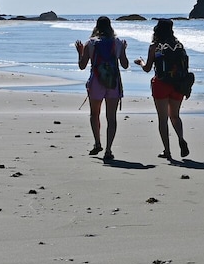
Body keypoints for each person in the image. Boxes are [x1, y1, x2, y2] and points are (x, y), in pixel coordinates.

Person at [134, 18, 192, 160]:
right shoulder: (179, 45)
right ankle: (180, 138)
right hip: (178, 85)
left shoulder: (155, 46)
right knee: (175, 116)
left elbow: (147, 68)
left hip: (161, 84)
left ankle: (167, 151)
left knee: (162, 119)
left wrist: (140, 62)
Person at [74, 16, 128, 160]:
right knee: (111, 118)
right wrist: (124, 50)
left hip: (96, 82)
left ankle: (97, 143)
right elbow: (125, 65)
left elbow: (82, 66)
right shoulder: (118, 43)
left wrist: (80, 52)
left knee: (94, 114)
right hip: (113, 82)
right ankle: (108, 150)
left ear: (96, 27)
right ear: (110, 27)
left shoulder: (90, 43)